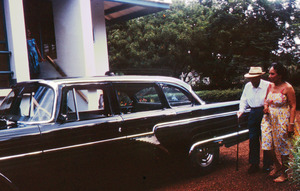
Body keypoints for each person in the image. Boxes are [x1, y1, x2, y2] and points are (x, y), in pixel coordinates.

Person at [261, 62, 299, 183]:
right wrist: (266, 106)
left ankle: (285, 173)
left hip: (282, 118)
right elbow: (266, 99)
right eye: (269, 73)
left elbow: (293, 106)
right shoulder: (270, 86)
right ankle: (277, 165)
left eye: (272, 74)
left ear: (280, 75)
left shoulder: (288, 88)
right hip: (268, 118)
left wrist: (291, 124)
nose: (269, 76)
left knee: (283, 146)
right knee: (266, 144)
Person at [237, 66, 273, 174]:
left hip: (265, 113)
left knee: (266, 139)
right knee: (253, 139)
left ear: (259, 77)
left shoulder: (268, 85)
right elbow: (243, 100)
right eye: (250, 78)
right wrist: (241, 110)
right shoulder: (248, 86)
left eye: (254, 78)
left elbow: (272, 99)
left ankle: (267, 164)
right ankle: (254, 163)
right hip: (252, 113)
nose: (252, 80)